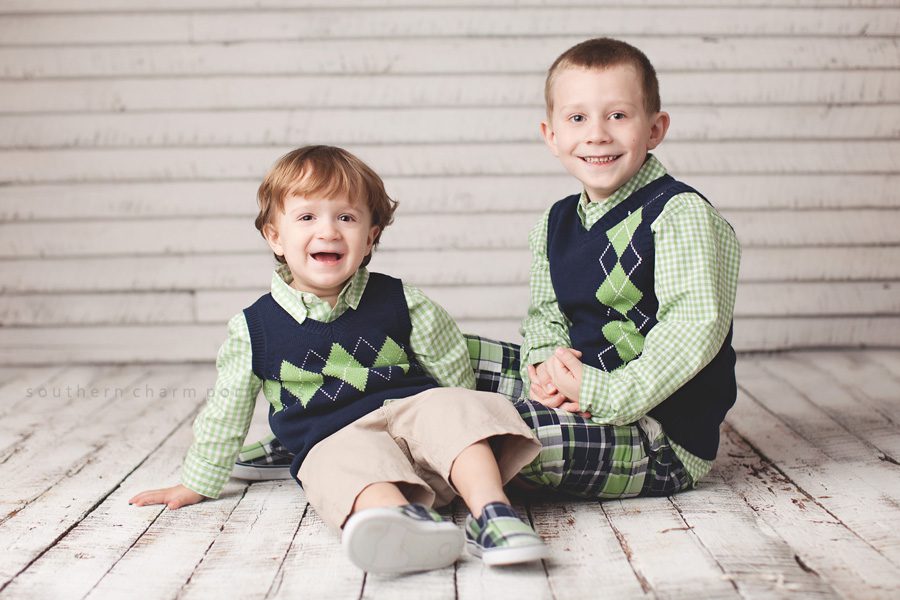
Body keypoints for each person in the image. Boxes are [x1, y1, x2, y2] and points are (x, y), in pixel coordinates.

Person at [233, 37, 741, 502]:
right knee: (439, 349)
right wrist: (544, 366)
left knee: (487, 428)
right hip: (583, 385)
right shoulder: (556, 221)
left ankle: (341, 443)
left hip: (657, 436)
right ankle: (319, 423)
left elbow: (694, 329)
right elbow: (546, 314)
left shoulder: (680, 216)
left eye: (619, 116)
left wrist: (603, 393)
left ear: (655, 128)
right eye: (578, 119)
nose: (598, 135)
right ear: (552, 134)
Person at [129, 145, 548, 574]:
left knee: (453, 405)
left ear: (370, 238)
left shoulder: (402, 300)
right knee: (335, 461)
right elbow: (227, 409)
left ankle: (493, 514)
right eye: (307, 217)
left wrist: (454, 425)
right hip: (337, 439)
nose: (328, 231)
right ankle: (402, 523)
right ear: (275, 235)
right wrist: (197, 481)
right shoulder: (254, 329)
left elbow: (451, 365)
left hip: (417, 433)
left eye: (346, 217)